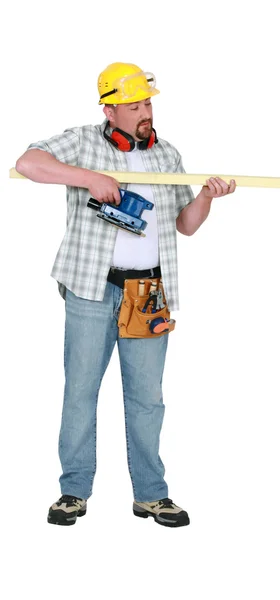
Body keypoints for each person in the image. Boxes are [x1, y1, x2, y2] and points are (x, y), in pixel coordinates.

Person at [15, 62, 236, 528]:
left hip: (149, 292)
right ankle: (73, 491)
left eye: (148, 103)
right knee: (80, 392)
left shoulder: (167, 155)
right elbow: (27, 163)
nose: (144, 112)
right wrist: (87, 177)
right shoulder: (80, 141)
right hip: (92, 289)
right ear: (109, 111)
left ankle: (151, 496)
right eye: (134, 105)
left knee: (147, 398)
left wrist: (206, 198)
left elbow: (186, 225)